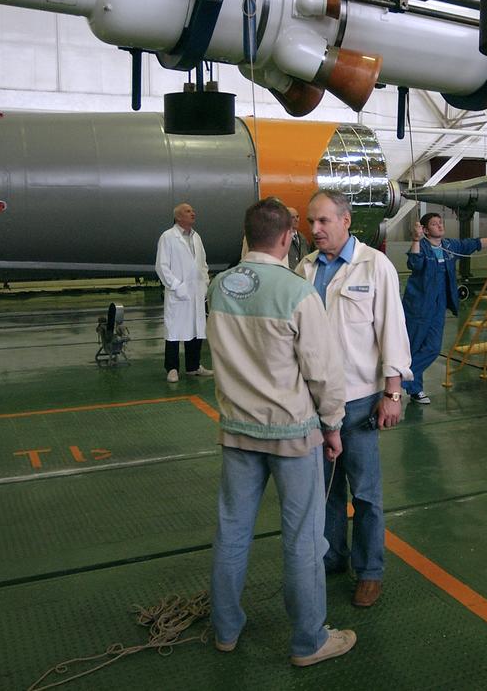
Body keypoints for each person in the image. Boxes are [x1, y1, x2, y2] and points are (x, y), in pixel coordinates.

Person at [206, 197, 355, 667]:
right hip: (291, 437)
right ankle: (309, 640)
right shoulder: (297, 292)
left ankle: (225, 629)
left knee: (232, 531)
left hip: (236, 432)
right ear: (289, 237)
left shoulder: (218, 287)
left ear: (247, 236)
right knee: (303, 539)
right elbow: (324, 374)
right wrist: (333, 426)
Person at [297, 189, 411, 609]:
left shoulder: (375, 266)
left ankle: (369, 571)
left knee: (365, 492)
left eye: (324, 221)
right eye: (311, 222)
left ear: (346, 221)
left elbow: (393, 331)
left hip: (360, 400)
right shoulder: (305, 269)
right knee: (325, 491)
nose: (316, 229)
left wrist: (393, 392)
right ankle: (332, 557)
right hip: (314, 402)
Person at [402, 213, 487, 404]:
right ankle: (415, 389)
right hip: (419, 305)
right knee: (413, 347)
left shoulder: (450, 246)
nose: (440, 226)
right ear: (425, 230)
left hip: (439, 304)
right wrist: (416, 240)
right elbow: (414, 264)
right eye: (434, 224)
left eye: (440, 223)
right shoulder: (423, 246)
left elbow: (474, 244)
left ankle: (400, 379)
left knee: (433, 348)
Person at [156, 202, 212, 382]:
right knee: (174, 331)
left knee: (196, 329)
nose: (193, 213)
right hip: (178, 293)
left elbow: (202, 263)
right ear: (178, 217)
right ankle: (171, 368)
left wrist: (205, 282)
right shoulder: (168, 237)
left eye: (193, 210)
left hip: (196, 291)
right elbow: (162, 266)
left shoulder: (197, 237)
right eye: (188, 211)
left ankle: (193, 366)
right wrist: (177, 286)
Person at [287, 206, 309, 270]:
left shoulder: (303, 239)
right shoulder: (282, 240)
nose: (296, 220)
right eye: (292, 217)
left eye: (297, 216)